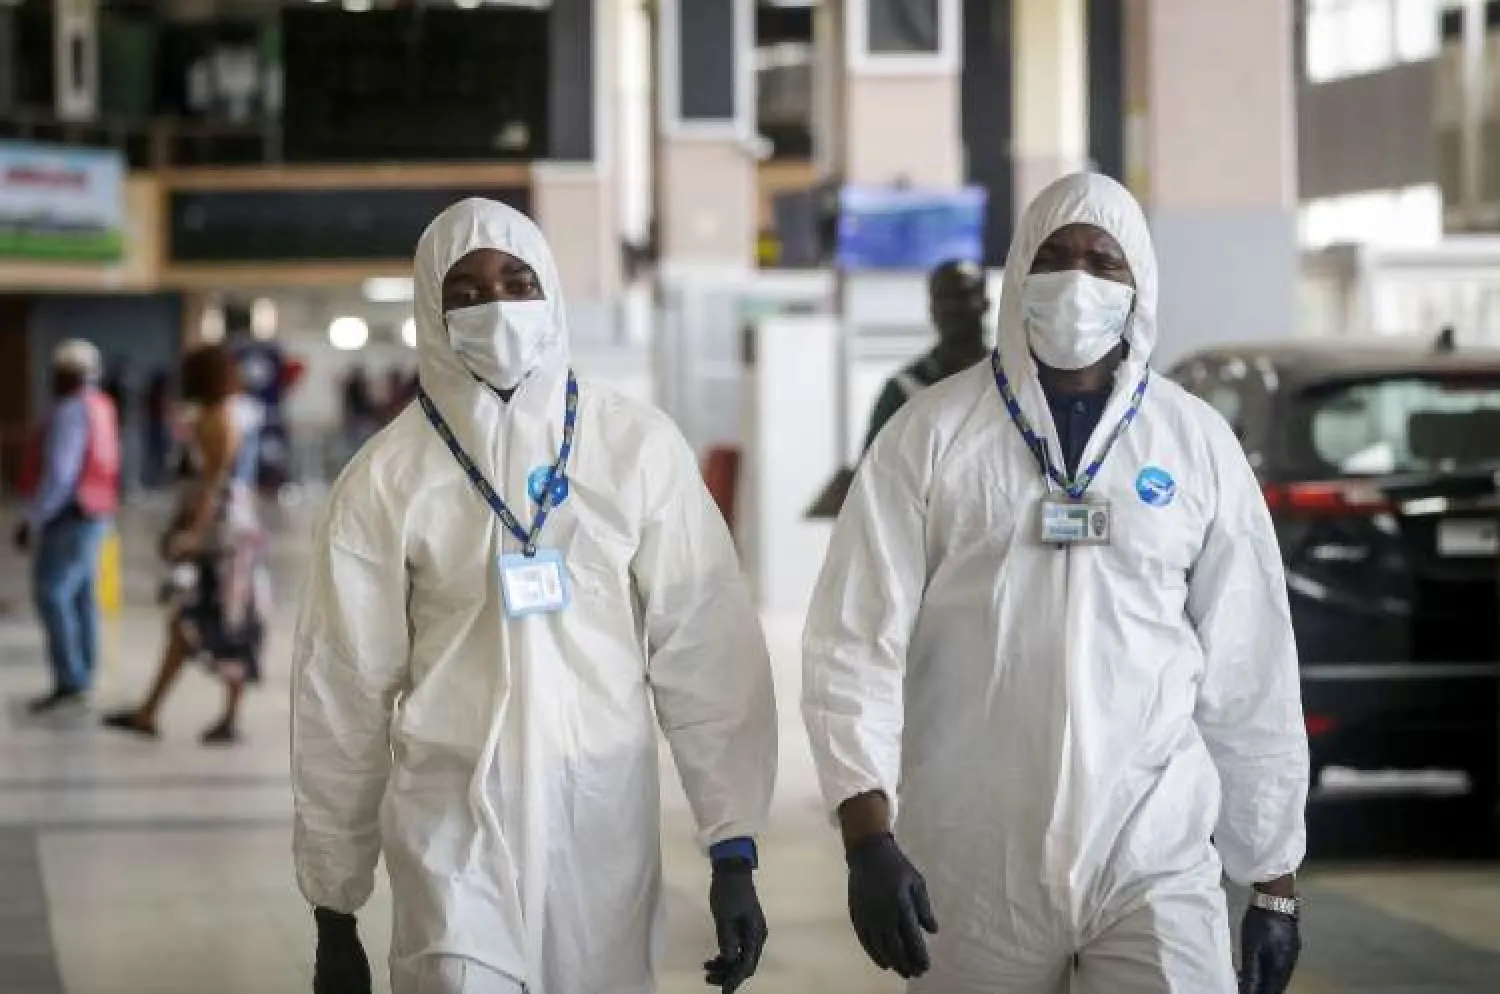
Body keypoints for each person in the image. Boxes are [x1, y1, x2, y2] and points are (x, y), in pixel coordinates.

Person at [802, 173, 1308, 994]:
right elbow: (853, 643)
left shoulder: (1193, 443)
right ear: (1017, 275)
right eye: (1056, 256)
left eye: (1103, 262)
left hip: (1155, 855)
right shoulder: (930, 434)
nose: (1078, 281)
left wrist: (1274, 878)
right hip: (974, 858)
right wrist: (867, 836)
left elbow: (1250, 671)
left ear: (1139, 283)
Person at [291, 199, 777, 994]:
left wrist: (732, 845)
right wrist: (333, 907)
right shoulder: (387, 476)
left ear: (550, 291)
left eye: (518, 282)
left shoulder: (635, 446)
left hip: (601, 821)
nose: (497, 307)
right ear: (432, 308)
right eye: (469, 291)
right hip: (450, 819)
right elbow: (341, 691)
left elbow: (706, 649)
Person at [103, 344, 269, 744]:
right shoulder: (211, 418)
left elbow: (212, 487)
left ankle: (223, 716)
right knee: (187, 624)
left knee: (224, 622)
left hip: (223, 539)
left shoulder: (218, 420)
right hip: (218, 532)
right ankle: (151, 711)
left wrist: (190, 533)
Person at [15, 340, 120, 713]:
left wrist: (33, 518)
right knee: (81, 597)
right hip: (98, 513)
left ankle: (70, 680)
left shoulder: (70, 412)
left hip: (70, 516)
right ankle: (83, 675)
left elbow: (60, 473)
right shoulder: (101, 406)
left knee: (53, 595)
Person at [862, 259, 991, 451]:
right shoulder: (904, 389)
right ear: (931, 309)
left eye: (963, 295)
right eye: (943, 297)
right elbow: (872, 469)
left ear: (986, 303)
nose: (954, 308)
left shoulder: (1011, 378)